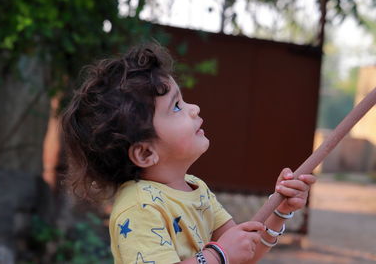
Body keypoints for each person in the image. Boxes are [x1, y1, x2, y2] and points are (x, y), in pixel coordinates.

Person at [60, 42, 316, 264]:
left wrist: (279, 211)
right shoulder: (139, 208)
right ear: (146, 153)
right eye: (176, 107)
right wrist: (220, 255)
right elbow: (227, 254)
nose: (194, 108)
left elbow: (245, 254)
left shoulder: (196, 190)